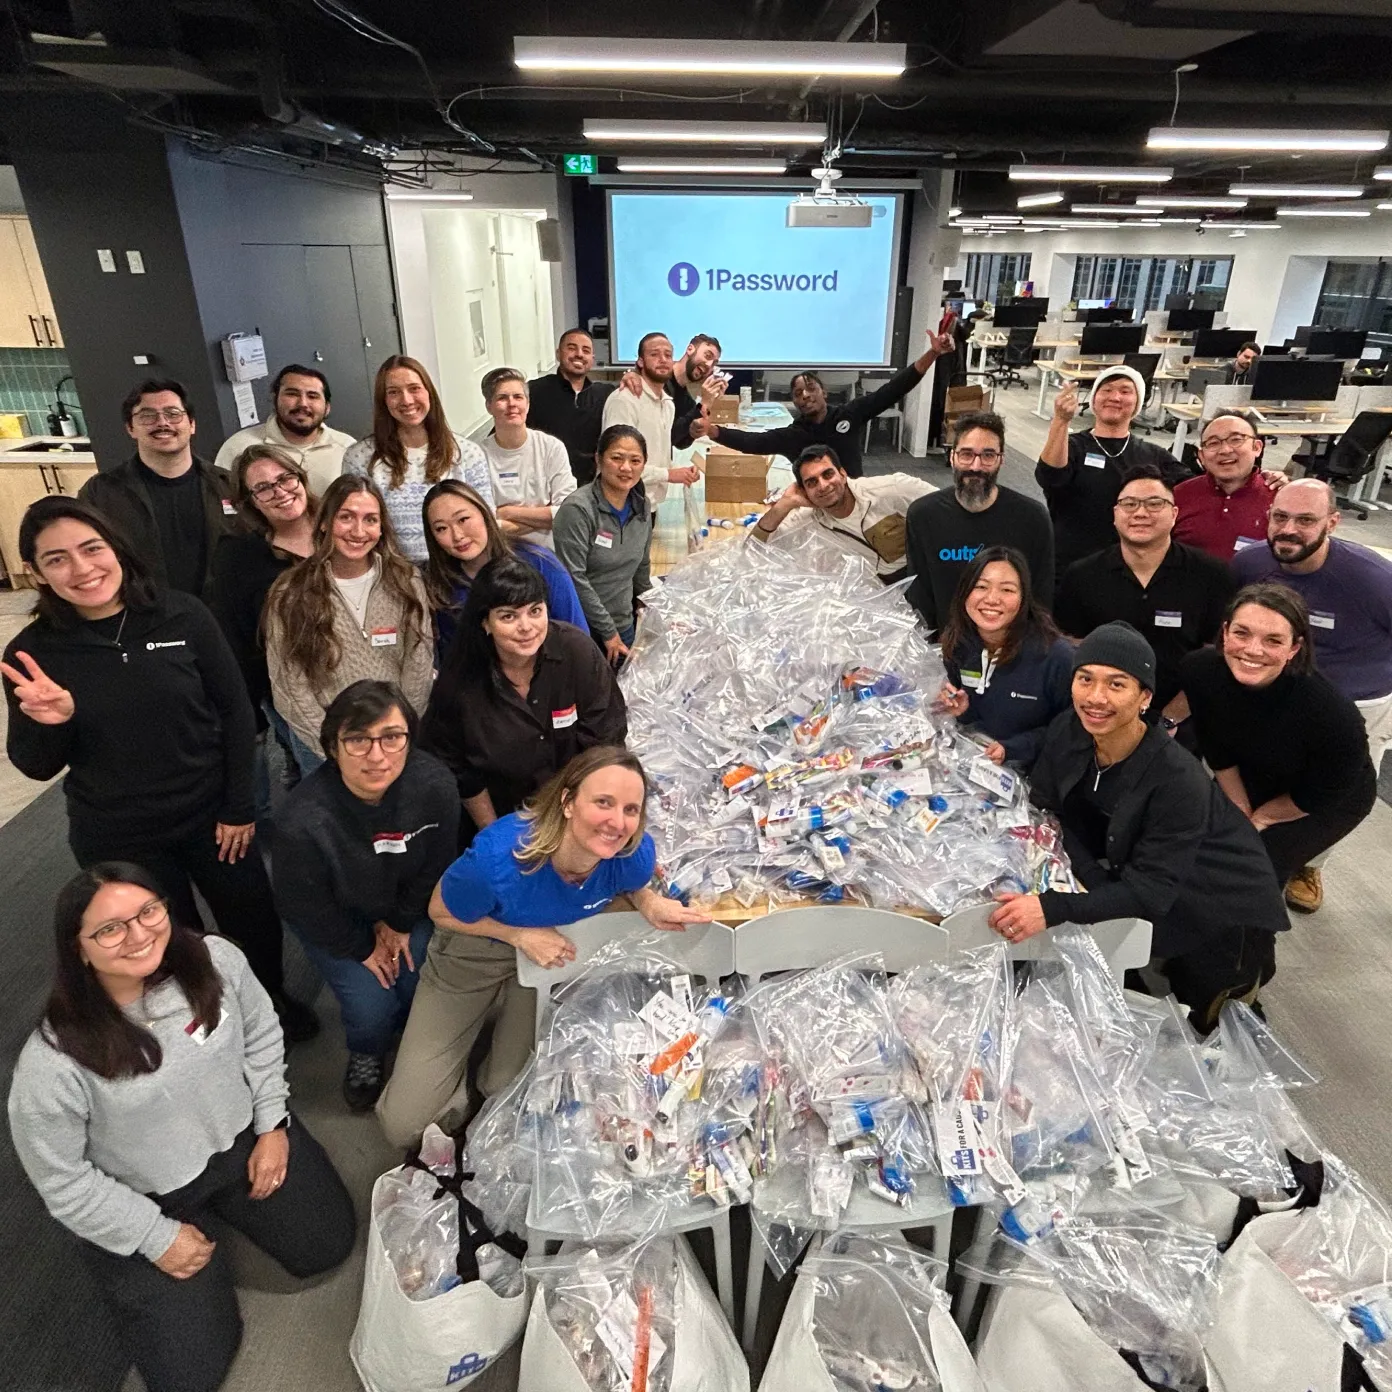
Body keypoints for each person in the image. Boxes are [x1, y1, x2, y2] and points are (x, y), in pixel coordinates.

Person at [8, 863, 354, 1392]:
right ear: (79, 949)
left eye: (148, 911)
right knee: (189, 1377)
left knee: (328, 1245)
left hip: (239, 1141)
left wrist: (273, 1126)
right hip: (144, 1193)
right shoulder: (51, 1063)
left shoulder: (216, 960)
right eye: (110, 928)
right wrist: (154, 1236)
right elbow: (62, 1180)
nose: (139, 934)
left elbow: (261, 1033)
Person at [2, 497, 317, 1040]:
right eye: (56, 559)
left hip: (213, 815)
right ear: (36, 572)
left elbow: (235, 712)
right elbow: (35, 765)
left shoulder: (182, 615)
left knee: (253, 919)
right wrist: (54, 722)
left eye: (91, 548)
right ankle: (209, 1028)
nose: (81, 568)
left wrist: (239, 806)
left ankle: (269, 1002)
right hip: (118, 831)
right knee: (168, 941)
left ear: (116, 549)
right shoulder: (33, 654)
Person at [375, 746, 710, 1147]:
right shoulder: (497, 861)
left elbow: (632, 884)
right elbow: (440, 911)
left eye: (630, 810)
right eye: (603, 802)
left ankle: (489, 1053)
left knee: (506, 1089)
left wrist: (648, 901)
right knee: (404, 1126)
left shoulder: (631, 854)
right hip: (478, 943)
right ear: (567, 802)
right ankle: (455, 1074)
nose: (617, 822)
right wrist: (518, 935)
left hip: (550, 950)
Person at [989, 622, 1288, 1032]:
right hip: (1147, 876)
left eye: (1117, 684)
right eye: (1085, 679)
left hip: (1220, 904)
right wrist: (1090, 880)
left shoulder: (1176, 778)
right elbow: (1046, 810)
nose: (1096, 697)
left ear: (1145, 697)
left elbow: (1150, 892)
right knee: (1125, 983)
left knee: (1211, 1023)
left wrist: (1053, 906)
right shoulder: (1070, 730)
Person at [273, 681, 460, 1111]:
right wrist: (362, 946)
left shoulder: (435, 786)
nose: (377, 756)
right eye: (358, 740)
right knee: (371, 1004)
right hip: (341, 923)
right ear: (332, 747)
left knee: (418, 980)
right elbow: (304, 905)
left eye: (391, 737)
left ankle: (413, 1040)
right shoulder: (301, 821)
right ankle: (367, 1050)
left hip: (405, 911)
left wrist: (399, 922)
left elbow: (438, 865)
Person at [1231, 477, 1392, 905]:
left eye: (1305, 520)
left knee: (1336, 791)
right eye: (1280, 517)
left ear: (1332, 523)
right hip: (1278, 695)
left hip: (1358, 704)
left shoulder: (1373, 579)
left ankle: (1310, 864)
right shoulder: (1249, 564)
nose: (1289, 529)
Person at [1181, 584, 1376, 911]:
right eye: (1241, 633)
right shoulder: (1199, 671)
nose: (1253, 650)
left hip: (1325, 796)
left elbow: (1320, 794)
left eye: (1273, 640)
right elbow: (1216, 748)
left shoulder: (1333, 716)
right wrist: (1240, 810)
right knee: (1206, 848)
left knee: (1255, 869)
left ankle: (1252, 936)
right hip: (1254, 770)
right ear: (1225, 632)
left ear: (1294, 648)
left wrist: (1260, 820)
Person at [422, 557, 627, 840]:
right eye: (508, 616)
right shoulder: (460, 681)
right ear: (485, 623)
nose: (526, 626)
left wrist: (577, 825)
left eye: (535, 611)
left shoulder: (577, 652)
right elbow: (460, 769)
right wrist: (496, 835)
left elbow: (606, 740)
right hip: (503, 816)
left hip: (578, 809)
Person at [1055, 462, 1235, 740]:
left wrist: (1171, 718)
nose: (1140, 513)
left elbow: (1218, 655)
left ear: (1174, 514)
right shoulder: (1082, 576)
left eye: (1154, 504)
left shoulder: (1211, 576)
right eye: (1129, 504)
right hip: (1099, 718)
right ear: (1115, 514)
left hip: (1179, 722)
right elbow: (1070, 647)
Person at [263, 473, 433, 769]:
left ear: (381, 528)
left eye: (370, 520)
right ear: (325, 522)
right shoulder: (290, 591)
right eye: (346, 517)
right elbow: (289, 684)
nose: (358, 530)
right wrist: (337, 749)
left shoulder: (407, 581)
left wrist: (395, 737)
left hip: (395, 744)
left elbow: (419, 664)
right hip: (326, 751)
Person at [690, 330, 956, 479]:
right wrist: (713, 431)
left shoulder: (849, 414)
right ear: (794, 402)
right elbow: (754, 442)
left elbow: (894, 389)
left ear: (824, 393)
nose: (805, 395)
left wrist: (933, 353)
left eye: (811, 389)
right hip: (815, 501)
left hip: (854, 495)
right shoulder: (794, 435)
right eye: (798, 393)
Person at [210, 445, 319, 783]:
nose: (280, 492)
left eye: (285, 478)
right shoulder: (238, 556)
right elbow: (237, 637)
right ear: (250, 502)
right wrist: (250, 712)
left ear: (301, 478)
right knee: (323, 781)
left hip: (359, 673)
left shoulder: (340, 528)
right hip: (293, 692)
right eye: (264, 488)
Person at [78, 379, 236, 601]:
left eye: (173, 414)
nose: (162, 422)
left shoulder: (228, 485)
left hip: (220, 613)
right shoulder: (101, 492)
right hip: (143, 612)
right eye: (147, 416)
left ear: (191, 424)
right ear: (130, 428)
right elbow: (86, 556)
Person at [904, 410, 1054, 632]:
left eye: (988, 455)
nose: (976, 466)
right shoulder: (923, 515)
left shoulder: (1032, 518)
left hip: (1011, 642)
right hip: (946, 642)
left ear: (1001, 460)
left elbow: (1041, 599)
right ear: (952, 457)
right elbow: (919, 595)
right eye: (966, 454)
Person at [1036, 364, 1186, 576]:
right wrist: (1061, 421)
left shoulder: (1154, 456)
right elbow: (1050, 476)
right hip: (1069, 567)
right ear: (1094, 400)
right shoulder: (1072, 446)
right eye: (1106, 390)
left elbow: (1192, 491)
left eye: (1125, 391)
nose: (1115, 397)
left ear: (1137, 403)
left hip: (1130, 570)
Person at [341, 354, 493, 562]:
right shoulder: (359, 458)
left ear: (429, 392)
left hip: (457, 569)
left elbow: (486, 521)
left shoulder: (467, 453)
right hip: (393, 571)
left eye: (414, 388)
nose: (406, 400)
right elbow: (356, 527)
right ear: (383, 401)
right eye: (394, 392)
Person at [934, 546, 1072, 771]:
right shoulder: (957, 645)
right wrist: (959, 710)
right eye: (981, 587)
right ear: (964, 592)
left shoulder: (1056, 656)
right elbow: (970, 721)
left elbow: (1073, 728)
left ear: (1023, 598)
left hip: (1037, 777)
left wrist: (1013, 749)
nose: (992, 599)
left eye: (1007, 590)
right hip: (970, 771)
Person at [423, 479, 588, 662]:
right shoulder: (438, 584)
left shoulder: (540, 562)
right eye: (441, 528)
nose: (457, 535)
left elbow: (578, 641)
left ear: (484, 514)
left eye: (463, 520)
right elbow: (451, 658)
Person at [751, 444, 931, 583]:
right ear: (804, 491)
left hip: (927, 568)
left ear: (843, 474)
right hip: (881, 588)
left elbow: (943, 505)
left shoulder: (891, 488)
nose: (823, 485)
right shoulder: (808, 518)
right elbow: (753, 548)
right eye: (812, 482)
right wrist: (785, 504)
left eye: (828, 474)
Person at [552, 424, 654, 667]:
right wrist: (608, 632)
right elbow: (574, 576)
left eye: (635, 460)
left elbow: (642, 566)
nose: (626, 468)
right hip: (584, 630)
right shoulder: (578, 509)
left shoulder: (642, 507)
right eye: (616, 458)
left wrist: (656, 610)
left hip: (623, 625)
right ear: (599, 459)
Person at [212, 365, 355, 495]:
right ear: (275, 399)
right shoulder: (238, 447)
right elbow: (223, 505)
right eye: (292, 394)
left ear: (327, 407)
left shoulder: (348, 449)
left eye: (312, 396)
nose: (303, 403)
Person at [477, 367, 576, 549]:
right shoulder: (477, 456)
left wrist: (507, 512)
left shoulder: (551, 448)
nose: (511, 404)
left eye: (518, 397)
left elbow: (568, 513)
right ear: (489, 406)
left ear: (528, 404)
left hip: (547, 553)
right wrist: (544, 518)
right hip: (500, 555)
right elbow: (483, 525)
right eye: (502, 398)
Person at [600, 331, 700, 508]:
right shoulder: (624, 400)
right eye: (654, 354)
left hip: (648, 504)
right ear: (640, 361)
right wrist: (669, 475)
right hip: (620, 505)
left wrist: (681, 472)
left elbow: (658, 455)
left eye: (668, 355)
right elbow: (616, 464)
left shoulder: (668, 404)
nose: (663, 360)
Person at [1173, 411, 1283, 560]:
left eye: (1236, 440)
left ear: (1257, 447)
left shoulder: (1279, 499)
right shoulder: (1179, 495)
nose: (1225, 450)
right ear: (1202, 456)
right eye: (1213, 443)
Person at [526, 327, 617, 484]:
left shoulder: (606, 394)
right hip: (544, 485)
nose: (579, 354)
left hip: (590, 487)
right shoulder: (534, 391)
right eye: (571, 348)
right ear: (558, 354)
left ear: (592, 359)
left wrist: (633, 376)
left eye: (586, 350)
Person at [618, 332, 726, 449]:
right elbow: (663, 437)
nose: (709, 365)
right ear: (690, 349)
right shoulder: (656, 383)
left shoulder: (687, 401)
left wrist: (705, 407)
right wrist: (703, 404)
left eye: (714, 364)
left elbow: (681, 443)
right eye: (707, 356)